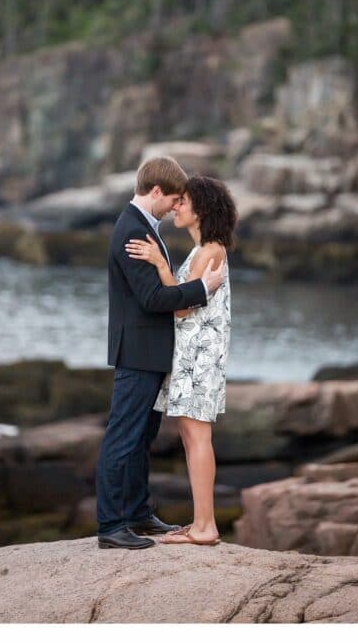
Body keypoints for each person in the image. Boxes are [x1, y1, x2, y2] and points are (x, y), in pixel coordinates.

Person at [96, 156, 226, 550]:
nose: (175, 207)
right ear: (156, 192)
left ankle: (136, 513)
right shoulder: (130, 231)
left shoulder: (144, 228)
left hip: (152, 355)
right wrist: (204, 289)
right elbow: (153, 298)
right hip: (138, 353)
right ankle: (111, 524)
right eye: (173, 199)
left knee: (140, 437)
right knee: (123, 437)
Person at [125, 175, 237, 546]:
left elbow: (181, 307)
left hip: (198, 358)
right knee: (192, 437)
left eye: (183, 202)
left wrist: (159, 263)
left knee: (197, 436)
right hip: (195, 357)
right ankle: (201, 522)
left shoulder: (209, 250)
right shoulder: (206, 249)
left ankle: (206, 526)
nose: (177, 206)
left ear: (201, 209)